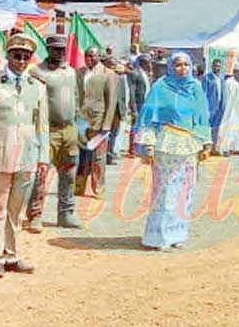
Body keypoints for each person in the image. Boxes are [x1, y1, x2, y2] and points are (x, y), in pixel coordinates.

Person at [0, 34, 49, 279]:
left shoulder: (36, 86)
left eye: (26, 56)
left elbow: (42, 125)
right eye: (17, 55)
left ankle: (11, 254)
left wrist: (43, 157)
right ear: (8, 56)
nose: (22, 60)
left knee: (16, 209)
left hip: (26, 156)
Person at [134, 52, 212, 251]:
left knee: (184, 191)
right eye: (178, 65)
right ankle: (158, 237)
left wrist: (206, 142)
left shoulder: (196, 87)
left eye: (186, 65)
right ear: (170, 66)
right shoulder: (160, 88)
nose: (183, 68)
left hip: (189, 145)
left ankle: (177, 234)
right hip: (166, 144)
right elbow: (149, 117)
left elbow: (202, 116)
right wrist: (148, 144)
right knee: (165, 190)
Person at [26, 35, 83, 231]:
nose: (60, 53)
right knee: (41, 174)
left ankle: (66, 213)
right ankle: (35, 215)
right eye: (55, 49)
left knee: (69, 173)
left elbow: (77, 99)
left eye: (62, 49)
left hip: (69, 130)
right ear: (48, 49)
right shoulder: (37, 72)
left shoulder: (70, 72)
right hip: (47, 130)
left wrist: (79, 127)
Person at [75, 47, 117, 198]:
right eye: (87, 56)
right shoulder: (79, 72)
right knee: (81, 156)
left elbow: (111, 101)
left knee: (98, 157)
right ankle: (78, 186)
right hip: (81, 122)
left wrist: (107, 124)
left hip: (98, 121)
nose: (89, 59)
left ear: (99, 57)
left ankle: (98, 187)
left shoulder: (109, 75)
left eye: (92, 56)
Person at [127, 54, 153, 156]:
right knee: (135, 127)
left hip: (146, 104)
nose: (150, 65)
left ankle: (140, 147)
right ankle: (132, 149)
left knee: (144, 127)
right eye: (148, 62)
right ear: (143, 63)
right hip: (138, 105)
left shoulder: (145, 74)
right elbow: (132, 92)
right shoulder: (134, 73)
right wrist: (133, 109)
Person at [200, 59, 225, 150]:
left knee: (216, 127)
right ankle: (206, 147)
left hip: (219, 107)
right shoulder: (207, 78)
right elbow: (204, 93)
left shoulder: (222, 78)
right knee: (208, 127)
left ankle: (214, 147)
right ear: (212, 66)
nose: (217, 68)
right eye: (215, 66)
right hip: (210, 107)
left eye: (219, 66)